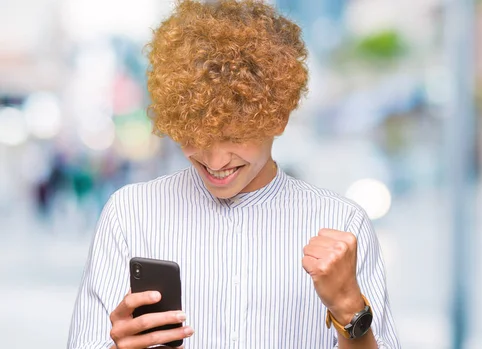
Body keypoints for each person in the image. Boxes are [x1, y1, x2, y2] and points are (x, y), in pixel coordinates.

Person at [67, 1, 400, 348]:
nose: (215, 159)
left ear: (278, 118)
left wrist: (349, 310)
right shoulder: (130, 214)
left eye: (235, 136)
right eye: (195, 135)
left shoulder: (343, 224)